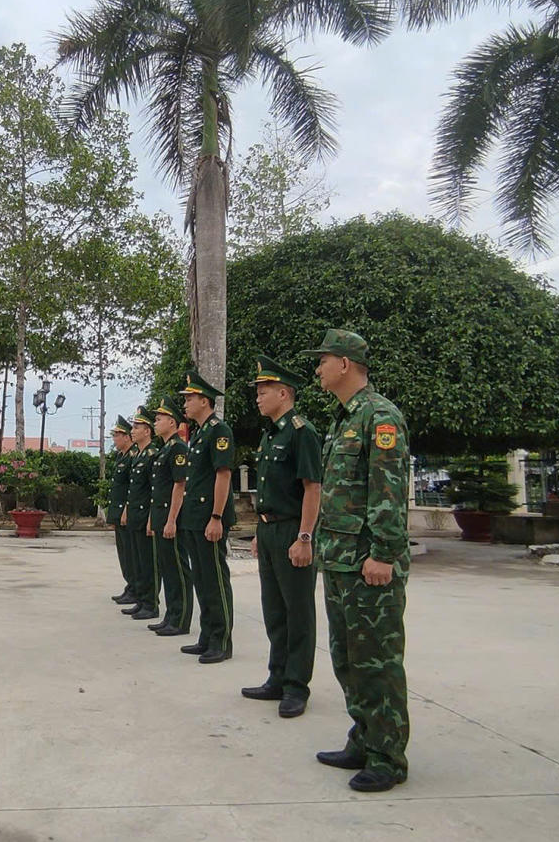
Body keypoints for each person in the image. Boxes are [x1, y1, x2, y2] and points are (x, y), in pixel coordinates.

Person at [299, 329, 410, 793]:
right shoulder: (344, 419)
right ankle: (363, 738)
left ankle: (388, 757)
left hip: (369, 564)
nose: (318, 369)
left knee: (377, 662)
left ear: (345, 364)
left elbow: (388, 492)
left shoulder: (379, 417)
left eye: (323, 360)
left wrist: (383, 553)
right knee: (347, 658)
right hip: (342, 561)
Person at [241, 355, 322, 719]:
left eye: (264, 391)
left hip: (293, 529)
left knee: (298, 611)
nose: (258, 397)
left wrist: (305, 536)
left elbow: (312, 488)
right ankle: (277, 676)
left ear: (284, 393)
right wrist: (260, 531)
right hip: (270, 529)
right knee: (274, 609)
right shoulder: (269, 434)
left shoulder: (302, 432)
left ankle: (296, 686)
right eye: (257, 391)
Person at [177, 370, 236, 664]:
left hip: (209, 518)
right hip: (193, 517)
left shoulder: (219, 431)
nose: (185, 403)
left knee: (214, 578)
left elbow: (222, 475)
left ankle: (221, 640)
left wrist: (217, 516)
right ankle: (206, 635)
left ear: (204, 400)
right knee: (201, 578)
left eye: (189, 398)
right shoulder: (199, 433)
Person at [148, 395, 192, 637]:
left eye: (159, 418)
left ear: (173, 423)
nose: (155, 422)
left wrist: (172, 519)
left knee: (177, 569)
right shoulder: (166, 448)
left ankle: (181, 618)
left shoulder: (178, 448)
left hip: (170, 517)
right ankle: (171, 615)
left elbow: (179, 485)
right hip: (161, 516)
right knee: (167, 568)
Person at [122, 406, 159, 621]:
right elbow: (133, 489)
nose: (133, 431)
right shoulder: (139, 455)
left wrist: (152, 518)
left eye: (137, 427)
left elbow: (155, 489)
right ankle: (142, 600)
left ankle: (151, 603)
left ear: (147, 431)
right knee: (137, 561)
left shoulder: (152, 454)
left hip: (146, 515)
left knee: (148, 562)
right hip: (136, 514)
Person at [107, 415, 136, 605]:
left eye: (118, 435)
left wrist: (126, 509)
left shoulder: (134, 456)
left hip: (127, 510)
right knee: (123, 552)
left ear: (127, 437)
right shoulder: (120, 456)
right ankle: (130, 586)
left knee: (132, 554)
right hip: (118, 510)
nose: (115, 439)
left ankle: (135, 588)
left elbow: (133, 487)